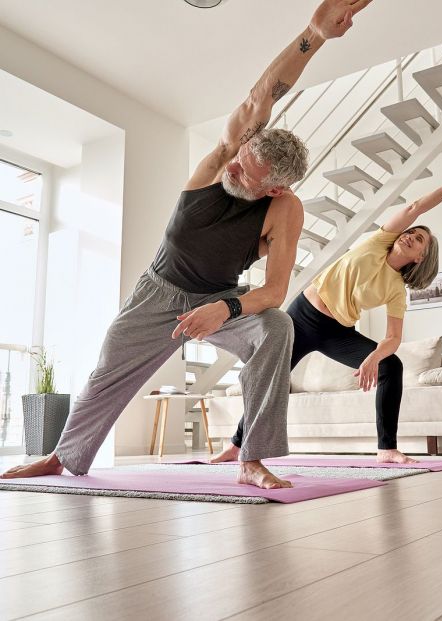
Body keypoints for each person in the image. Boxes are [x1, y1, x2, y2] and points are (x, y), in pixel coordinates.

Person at [1, 0, 373, 489]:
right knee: (106, 371)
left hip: (217, 298)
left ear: (275, 188)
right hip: (157, 290)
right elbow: (261, 96)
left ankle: (252, 459)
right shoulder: (221, 161)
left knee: (277, 328)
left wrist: (226, 308)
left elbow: (275, 291)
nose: (232, 170)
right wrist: (314, 34)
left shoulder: (285, 211)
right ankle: (61, 457)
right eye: (239, 158)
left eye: (246, 173)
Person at [213, 164, 442, 464]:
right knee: (273, 377)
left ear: (419, 258)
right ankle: (237, 445)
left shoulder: (395, 290)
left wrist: (374, 358)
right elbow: (416, 206)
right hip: (303, 316)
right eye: (412, 233)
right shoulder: (380, 241)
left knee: (393, 366)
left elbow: (393, 337)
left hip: (337, 331)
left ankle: (387, 449)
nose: (410, 237)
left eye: (418, 241)